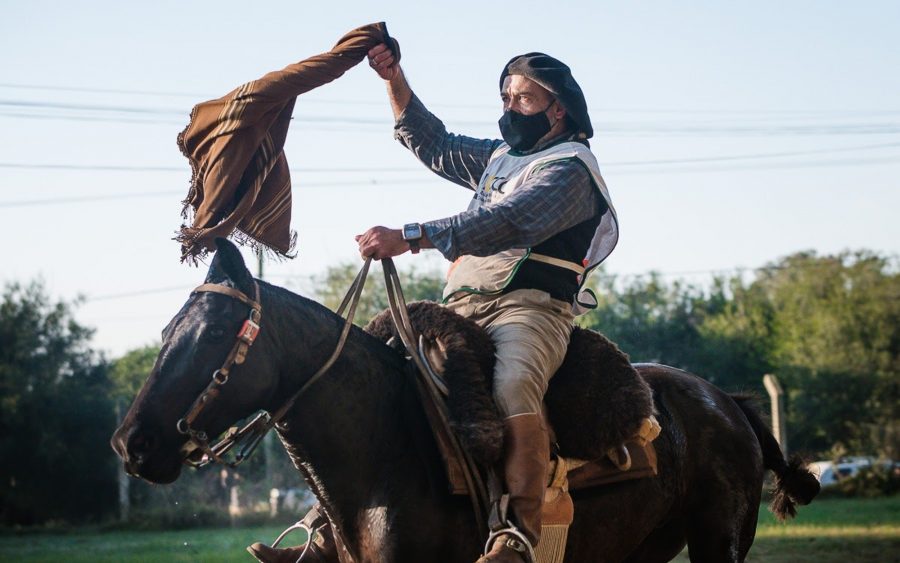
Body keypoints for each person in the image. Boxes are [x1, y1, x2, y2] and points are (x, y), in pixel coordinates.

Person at [250, 38, 618, 563]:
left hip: (531, 309)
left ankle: (516, 533)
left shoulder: (572, 168)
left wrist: (411, 235)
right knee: (379, 380)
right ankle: (326, 529)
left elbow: (510, 220)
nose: (510, 110)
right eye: (506, 98)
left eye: (524, 100)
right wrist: (392, 76)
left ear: (557, 110)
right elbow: (433, 141)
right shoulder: (499, 159)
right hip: (462, 308)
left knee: (513, 384)